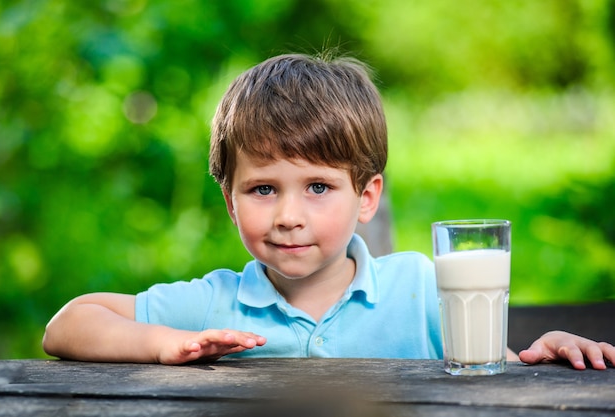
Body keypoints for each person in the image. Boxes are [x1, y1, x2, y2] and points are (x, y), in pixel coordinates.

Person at [43, 52, 615, 369]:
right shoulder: (215, 305)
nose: (289, 215)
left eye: (318, 187)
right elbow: (67, 325)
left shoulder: (421, 289)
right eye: (263, 189)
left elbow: (494, 375)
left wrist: (546, 350)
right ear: (229, 200)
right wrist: (162, 343)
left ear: (367, 197)